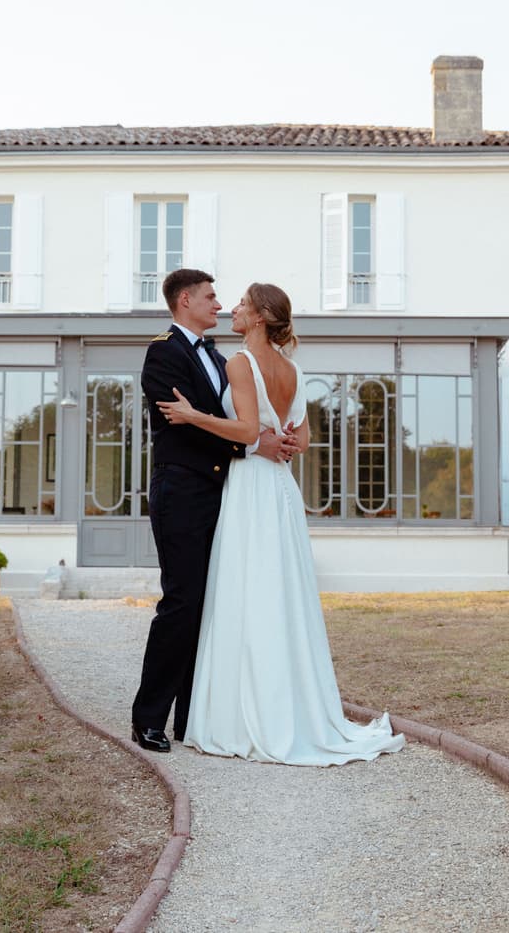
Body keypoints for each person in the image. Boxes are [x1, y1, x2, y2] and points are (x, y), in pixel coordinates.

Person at [157, 282, 405, 765]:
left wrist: (193, 416)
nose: (233, 308)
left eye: (243, 305)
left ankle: (247, 712)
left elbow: (248, 432)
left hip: (250, 485)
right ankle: (286, 703)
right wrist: (285, 441)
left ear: (262, 317)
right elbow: (304, 440)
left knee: (246, 589)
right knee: (278, 591)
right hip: (282, 488)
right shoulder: (292, 368)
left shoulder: (239, 363)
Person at [130, 269, 295, 753]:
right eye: (210, 296)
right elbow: (182, 427)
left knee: (210, 605)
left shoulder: (222, 358)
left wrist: (260, 438)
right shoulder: (163, 351)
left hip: (224, 494)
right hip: (181, 492)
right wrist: (252, 445)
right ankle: (149, 718)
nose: (219, 304)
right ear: (185, 300)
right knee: (181, 602)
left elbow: (236, 421)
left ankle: (192, 718)